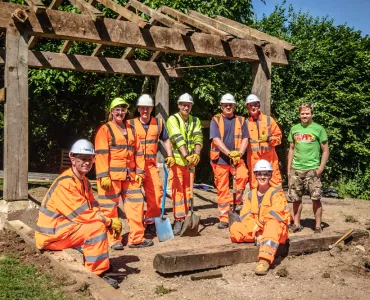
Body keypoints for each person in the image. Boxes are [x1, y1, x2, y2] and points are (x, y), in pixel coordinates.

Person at [35, 139, 122, 288]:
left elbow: (93, 208)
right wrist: (108, 222)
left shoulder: (84, 181)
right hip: (51, 237)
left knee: (98, 224)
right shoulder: (66, 183)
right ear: (72, 159)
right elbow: (82, 215)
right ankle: (97, 274)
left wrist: (106, 220)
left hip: (61, 230)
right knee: (96, 228)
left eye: (89, 159)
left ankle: (99, 263)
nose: (87, 162)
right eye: (82, 159)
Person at [95, 97, 153, 249]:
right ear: (112, 112)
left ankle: (136, 239)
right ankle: (114, 240)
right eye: (117, 110)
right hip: (110, 178)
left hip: (130, 176)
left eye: (123, 109)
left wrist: (140, 173)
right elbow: (101, 154)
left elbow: (139, 153)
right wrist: (103, 175)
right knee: (109, 209)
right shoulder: (105, 130)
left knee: (136, 205)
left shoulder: (131, 129)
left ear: (126, 111)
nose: (120, 112)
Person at [229, 159, 290, 275]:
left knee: (272, 225)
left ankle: (264, 260)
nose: (262, 177)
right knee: (235, 229)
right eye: (259, 174)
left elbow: (276, 213)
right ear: (255, 175)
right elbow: (246, 216)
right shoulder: (251, 194)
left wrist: (261, 224)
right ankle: (262, 238)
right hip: (258, 228)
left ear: (270, 175)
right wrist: (257, 232)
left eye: (266, 174)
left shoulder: (276, 193)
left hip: (276, 229)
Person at [129, 94, 174, 235]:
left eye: (147, 108)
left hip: (150, 165)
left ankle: (150, 222)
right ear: (138, 108)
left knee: (156, 192)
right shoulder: (130, 124)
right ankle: (136, 225)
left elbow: (166, 139)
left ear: (151, 108)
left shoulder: (159, 123)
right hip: (134, 165)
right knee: (134, 195)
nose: (145, 110)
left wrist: (170, 155)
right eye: (142, 108)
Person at [287, 103, 329, 233]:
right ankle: (297, 224)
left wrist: (320, 168)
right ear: (299, 115)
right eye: (302, 113)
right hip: (296, 169)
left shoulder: (319, 129)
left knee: (315, 198)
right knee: (295, 198)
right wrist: (289, 169)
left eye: (307, 113)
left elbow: (326, 150)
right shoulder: (294, 129)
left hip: (313, 169)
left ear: (312, 114)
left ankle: (317, 226)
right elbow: (291, 149)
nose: (304, 116)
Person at [210, 93, 249, 229]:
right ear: (221, 106)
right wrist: (228, 153)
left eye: (230, 105)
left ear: (234, 106)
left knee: (243, 176)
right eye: (225, 105)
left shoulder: (242, 120)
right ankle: (224, 217)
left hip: (237, 159)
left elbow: (245, 138)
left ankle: (235, 204)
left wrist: (239, 154)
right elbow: (216, 139)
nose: (228, 107)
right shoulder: (216, 120)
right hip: (220, 160)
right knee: (222, 189)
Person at [166, 93, 203, 235]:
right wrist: (187, 156)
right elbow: (178, 138)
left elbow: (198, 137)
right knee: (177, 191)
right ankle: (178, 219)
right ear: (179, 105)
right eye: (183, 105)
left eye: (188, 105)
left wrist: (197, 155)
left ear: (191, 106)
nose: (186, 107)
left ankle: (187, 217)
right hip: (177, 162)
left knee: (188, 191)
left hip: (190, 163)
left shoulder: (195, 120)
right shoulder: (172, 119)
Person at [245, 94, 282, 189]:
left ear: (259, 105)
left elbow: (279, 137)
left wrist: (270, 139)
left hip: (270, 158)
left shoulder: (269, 120)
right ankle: (256, 204)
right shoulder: (246, 124)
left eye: (255, 105)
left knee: (275, 183)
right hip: (253, 159)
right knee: (254, 185)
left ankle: (278, 203)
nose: (253, 107)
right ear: (247, 107)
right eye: (250, 105)